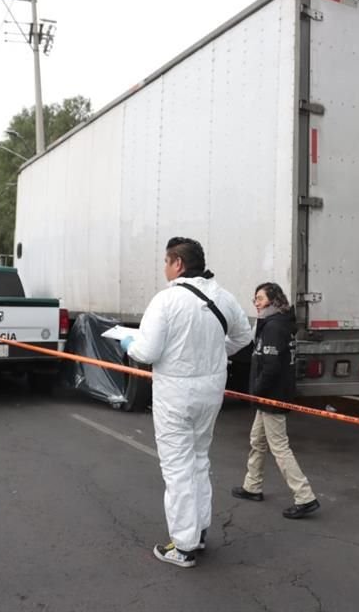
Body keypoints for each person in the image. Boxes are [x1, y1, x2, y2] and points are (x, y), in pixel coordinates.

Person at [121, 237, 251, 568]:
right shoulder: (223, 297)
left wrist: (127, 342)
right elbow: (243, 337)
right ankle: (199, 530)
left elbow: (147, 352)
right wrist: (217, 353)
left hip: (176, 395)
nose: (164, 268)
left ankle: (183, 546)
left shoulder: (166, 301)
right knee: (198, 459)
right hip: (211, 392)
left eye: (166, 261)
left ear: (178, 263)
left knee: (177, 467)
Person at [231, 282, 320, 519]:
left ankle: (305, 497)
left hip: (271, 396)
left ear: (273, 301)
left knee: (279, 447)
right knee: (257, 441)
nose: (256, 302)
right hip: (271, 395)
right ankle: (252, 486)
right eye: (255, 298)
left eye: (259, 298)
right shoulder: (277, 325)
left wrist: (257, 392)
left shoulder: (273, 328)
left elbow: (270, 367)